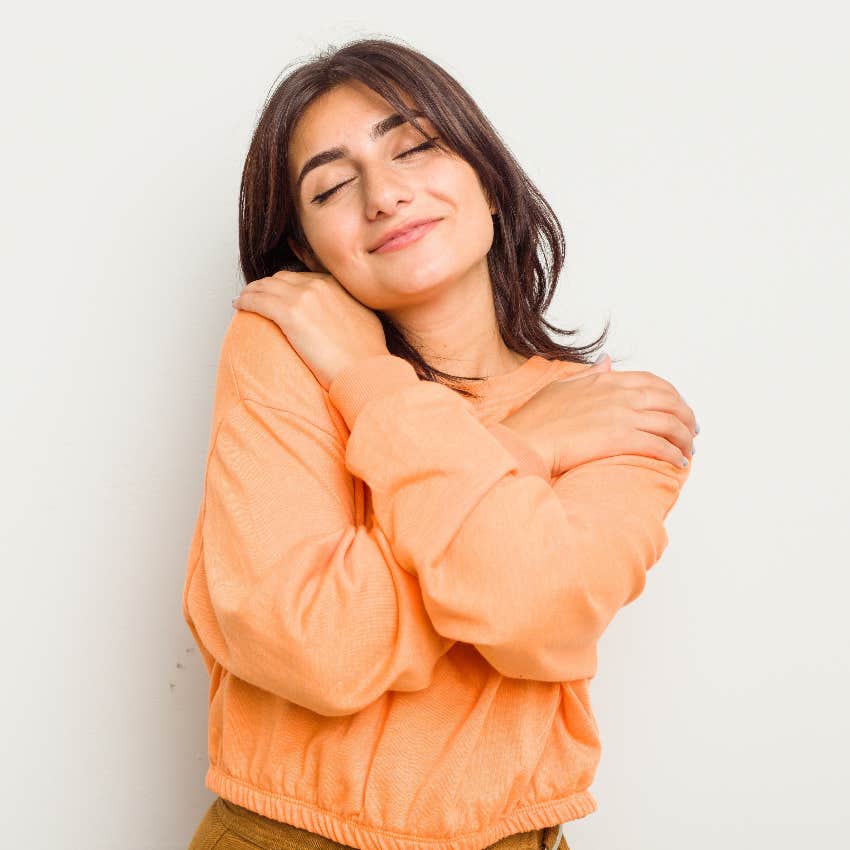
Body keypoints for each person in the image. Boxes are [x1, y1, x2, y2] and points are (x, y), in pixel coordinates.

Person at [183, 36, 698, 850]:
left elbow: (535, 615)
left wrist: (368, 381)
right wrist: (519, 440)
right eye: (332, 186)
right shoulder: (285, 345)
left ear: (490, 184)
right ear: (307, 255)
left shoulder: (615, 414)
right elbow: (314, 648)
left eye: (415, 148)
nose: (384, 195)